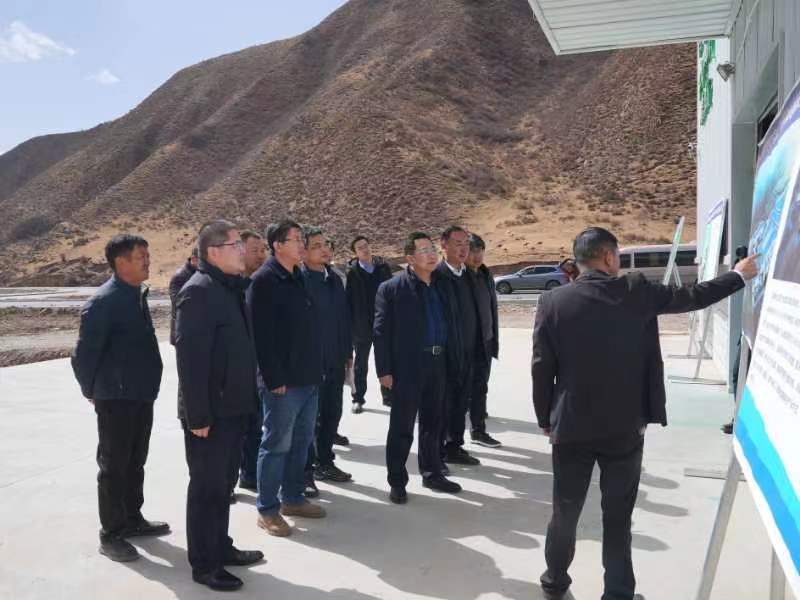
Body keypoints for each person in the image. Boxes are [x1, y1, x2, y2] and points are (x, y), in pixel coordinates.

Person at [532, 227, 758, 600]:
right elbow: (693, 296)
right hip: (623, 428)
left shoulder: (552, 301)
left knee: (565, 511)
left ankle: (554, 583)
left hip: (570, 426)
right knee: (617, 518)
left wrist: (545, 418)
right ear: (608, 257)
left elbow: (542, 368)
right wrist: (738, 275)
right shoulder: (635, 291)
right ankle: (618, 594)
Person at [175, 220, 263, 591]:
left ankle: (220, 547)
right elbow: (190, 362)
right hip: (209, 415)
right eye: (235, 245)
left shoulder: (230, 288)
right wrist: (198, 416)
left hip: (234, 408)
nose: (242, 250)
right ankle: (205, 564)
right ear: (213, 252)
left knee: (223, 485)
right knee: (207, 489)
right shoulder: (199, 292)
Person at [71, 234, 168, 563]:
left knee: (135, 460)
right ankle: (111, 533)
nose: (148, 261)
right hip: (116, 397)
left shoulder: (135, 295)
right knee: (114, 465)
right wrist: (92, 390)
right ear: (121, 262)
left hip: (140, 394)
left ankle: (132, 517)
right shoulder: (104, 302)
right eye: (141, 256)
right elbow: (84, 355)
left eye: (147, 254)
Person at [248, 219, 326, 538]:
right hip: (283, 382)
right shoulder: (264, 281)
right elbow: (260, 337)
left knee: (301, 442)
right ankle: (267, 509)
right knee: (276, 444)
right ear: (278, 245)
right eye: (296, 239)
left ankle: (292, 498)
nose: (302, 244)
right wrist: (273, 377)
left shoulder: (298, 275)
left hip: (307, 377)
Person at [374, 232, 463, 504]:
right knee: (402, 427)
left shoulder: (443, 285)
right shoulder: (392, 289)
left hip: (439, 362)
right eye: (423, 250)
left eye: (432, 249)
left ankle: (432, 473)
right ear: (410, 258)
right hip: (407, 367)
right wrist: (384, 371)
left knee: (434, 424)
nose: (431, 254)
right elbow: (381, 332)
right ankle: (397, 481)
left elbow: (454, 324)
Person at [302, 228, 353, 492]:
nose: (325, 249)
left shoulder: (333, 279)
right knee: (309, 420)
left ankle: (325, 462)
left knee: (332, 414)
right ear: (303, 252)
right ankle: (305, 472)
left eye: (326, 244)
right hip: (310, 363)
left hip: (334, 359)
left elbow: (343, 319)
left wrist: (347, 353)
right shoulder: (299, 281)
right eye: (316, 246)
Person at [433, 225, 481, 466]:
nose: (463, 249)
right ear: (443, 245)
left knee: (461, 403)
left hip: (468, 352)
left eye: (466, 244)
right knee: (442, 405)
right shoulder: (436, 277)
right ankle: (436, 452)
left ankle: (454, 446)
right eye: (457, 243)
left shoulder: (469, 275)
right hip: (445, 354)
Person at [345, 235, 393, 413]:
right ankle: (358, 399)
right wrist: (351, 326)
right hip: (361, 325)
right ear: (355, 253)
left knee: (386, 360)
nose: (365, 249)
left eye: (366, 245)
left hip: (383, 322)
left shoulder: (383, 267)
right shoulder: (352, 272)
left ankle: (388, 396)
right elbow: (349, 300)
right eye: (360, 248)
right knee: (361, 364)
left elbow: (392, 293)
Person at [236, 230, 268, 494]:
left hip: (259, 367)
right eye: (254, 250)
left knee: (256, 426)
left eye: (263, 250)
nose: (261, 255)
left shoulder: (264, 284)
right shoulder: (231, 286)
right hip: (235, 370)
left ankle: (250, 474)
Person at [464, 233, 501, 448]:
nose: (477, 256)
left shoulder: (485, 274)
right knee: (461, 391)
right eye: (472, 251)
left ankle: (478, 430)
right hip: (465, 344)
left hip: (484, 341)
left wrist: (493, 339)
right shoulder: (458, 277)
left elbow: (491, 309)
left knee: (480, 388)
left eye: (480, 251)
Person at [169, 246, 198, 345]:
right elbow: (178, 302)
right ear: (193, 259)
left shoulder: (198, 273)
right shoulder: (180, 276)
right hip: (182, 331)